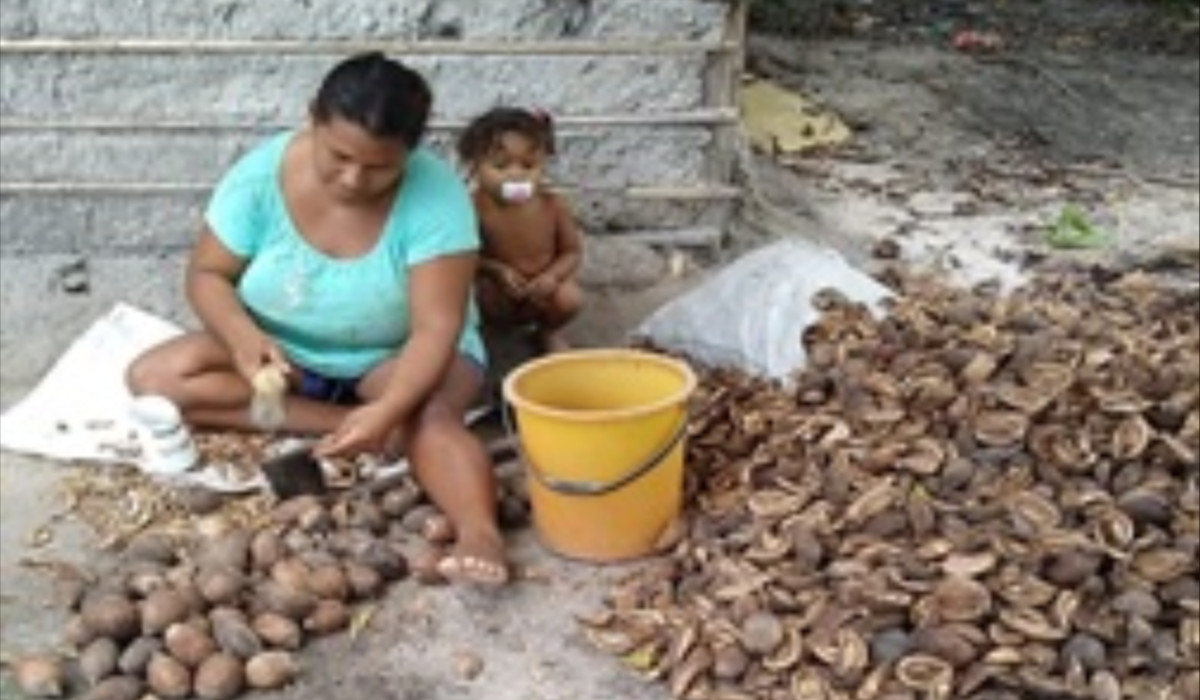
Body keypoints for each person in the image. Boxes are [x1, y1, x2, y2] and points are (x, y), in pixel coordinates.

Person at [125, 52, 508, 586]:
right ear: (313, 118)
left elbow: (435, 328)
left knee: (430, 415)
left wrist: (393, 405)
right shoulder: (260, 177)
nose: (353, 179)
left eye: (379, 168)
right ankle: (359, 429)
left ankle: (478, 531)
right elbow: (207, 274)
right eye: (339, 156)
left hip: (393, 358)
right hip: (287, 356)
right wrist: (242, 339)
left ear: (410, 153)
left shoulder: (436, 199)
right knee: (157, 379)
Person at [456, 107, 584, 353]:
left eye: (528, 166)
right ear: (474, 166)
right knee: (461, 297)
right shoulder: (471, 207)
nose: (516, 175)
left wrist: (552, 277)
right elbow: (463, 255)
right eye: (501, 166)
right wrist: (496, 271)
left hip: (542, 291)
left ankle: (547, 331)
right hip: (496, 291)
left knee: (570, 299)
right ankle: (480, 338)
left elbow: (572, 252)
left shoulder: (552, 205)